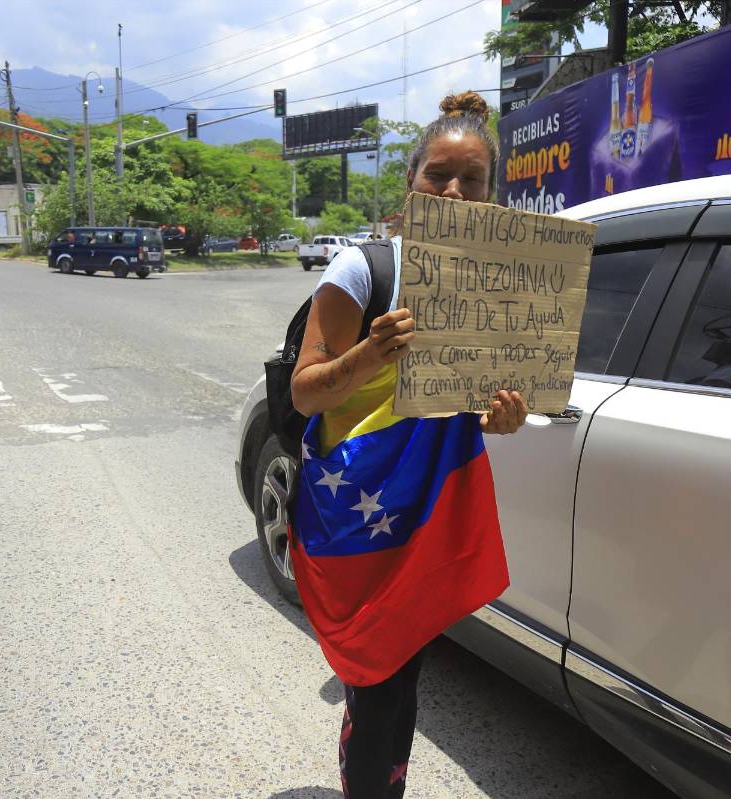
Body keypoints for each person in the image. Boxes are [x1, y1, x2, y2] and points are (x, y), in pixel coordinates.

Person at [290, 91, 528, 799]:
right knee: (380, 683)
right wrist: (368, 355)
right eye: (438, 175)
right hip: (359, 518)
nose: (454, 191)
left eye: (473, 180)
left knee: (400, 675)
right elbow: (305, 392)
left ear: (493, 194)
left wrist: (500, 418)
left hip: (427, 514)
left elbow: (468, 405)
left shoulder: (495, 281)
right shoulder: (362, 272)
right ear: (411, 182)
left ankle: (377, 780)